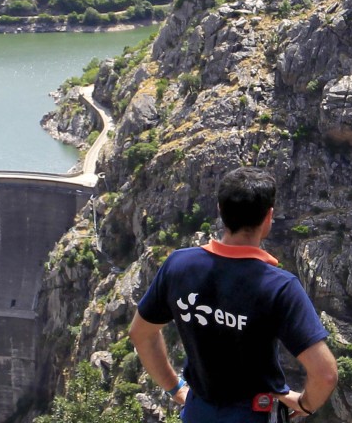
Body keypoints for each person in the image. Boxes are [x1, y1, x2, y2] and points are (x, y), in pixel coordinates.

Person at [131, 167, 339, 422]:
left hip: (198, 411)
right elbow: (325, 374)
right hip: (254, 414)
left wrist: (175, 388)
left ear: (220, 210)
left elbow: (141, 333)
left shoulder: (178, 265)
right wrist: (305, 405)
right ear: (268, 218)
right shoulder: (280, 287)